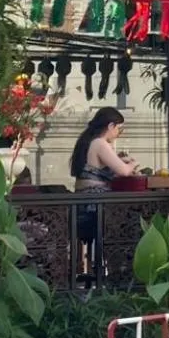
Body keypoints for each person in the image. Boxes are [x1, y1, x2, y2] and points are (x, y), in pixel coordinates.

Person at [69, 107, 137, 279]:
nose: (118, 133)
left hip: (84, 203)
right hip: (95, 206)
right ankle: (120, 270)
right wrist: (133, 164)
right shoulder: (100, 143)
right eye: (119, 129)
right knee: (132, 220)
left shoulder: (87, 141)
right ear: (111, 125)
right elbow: (124, 171)